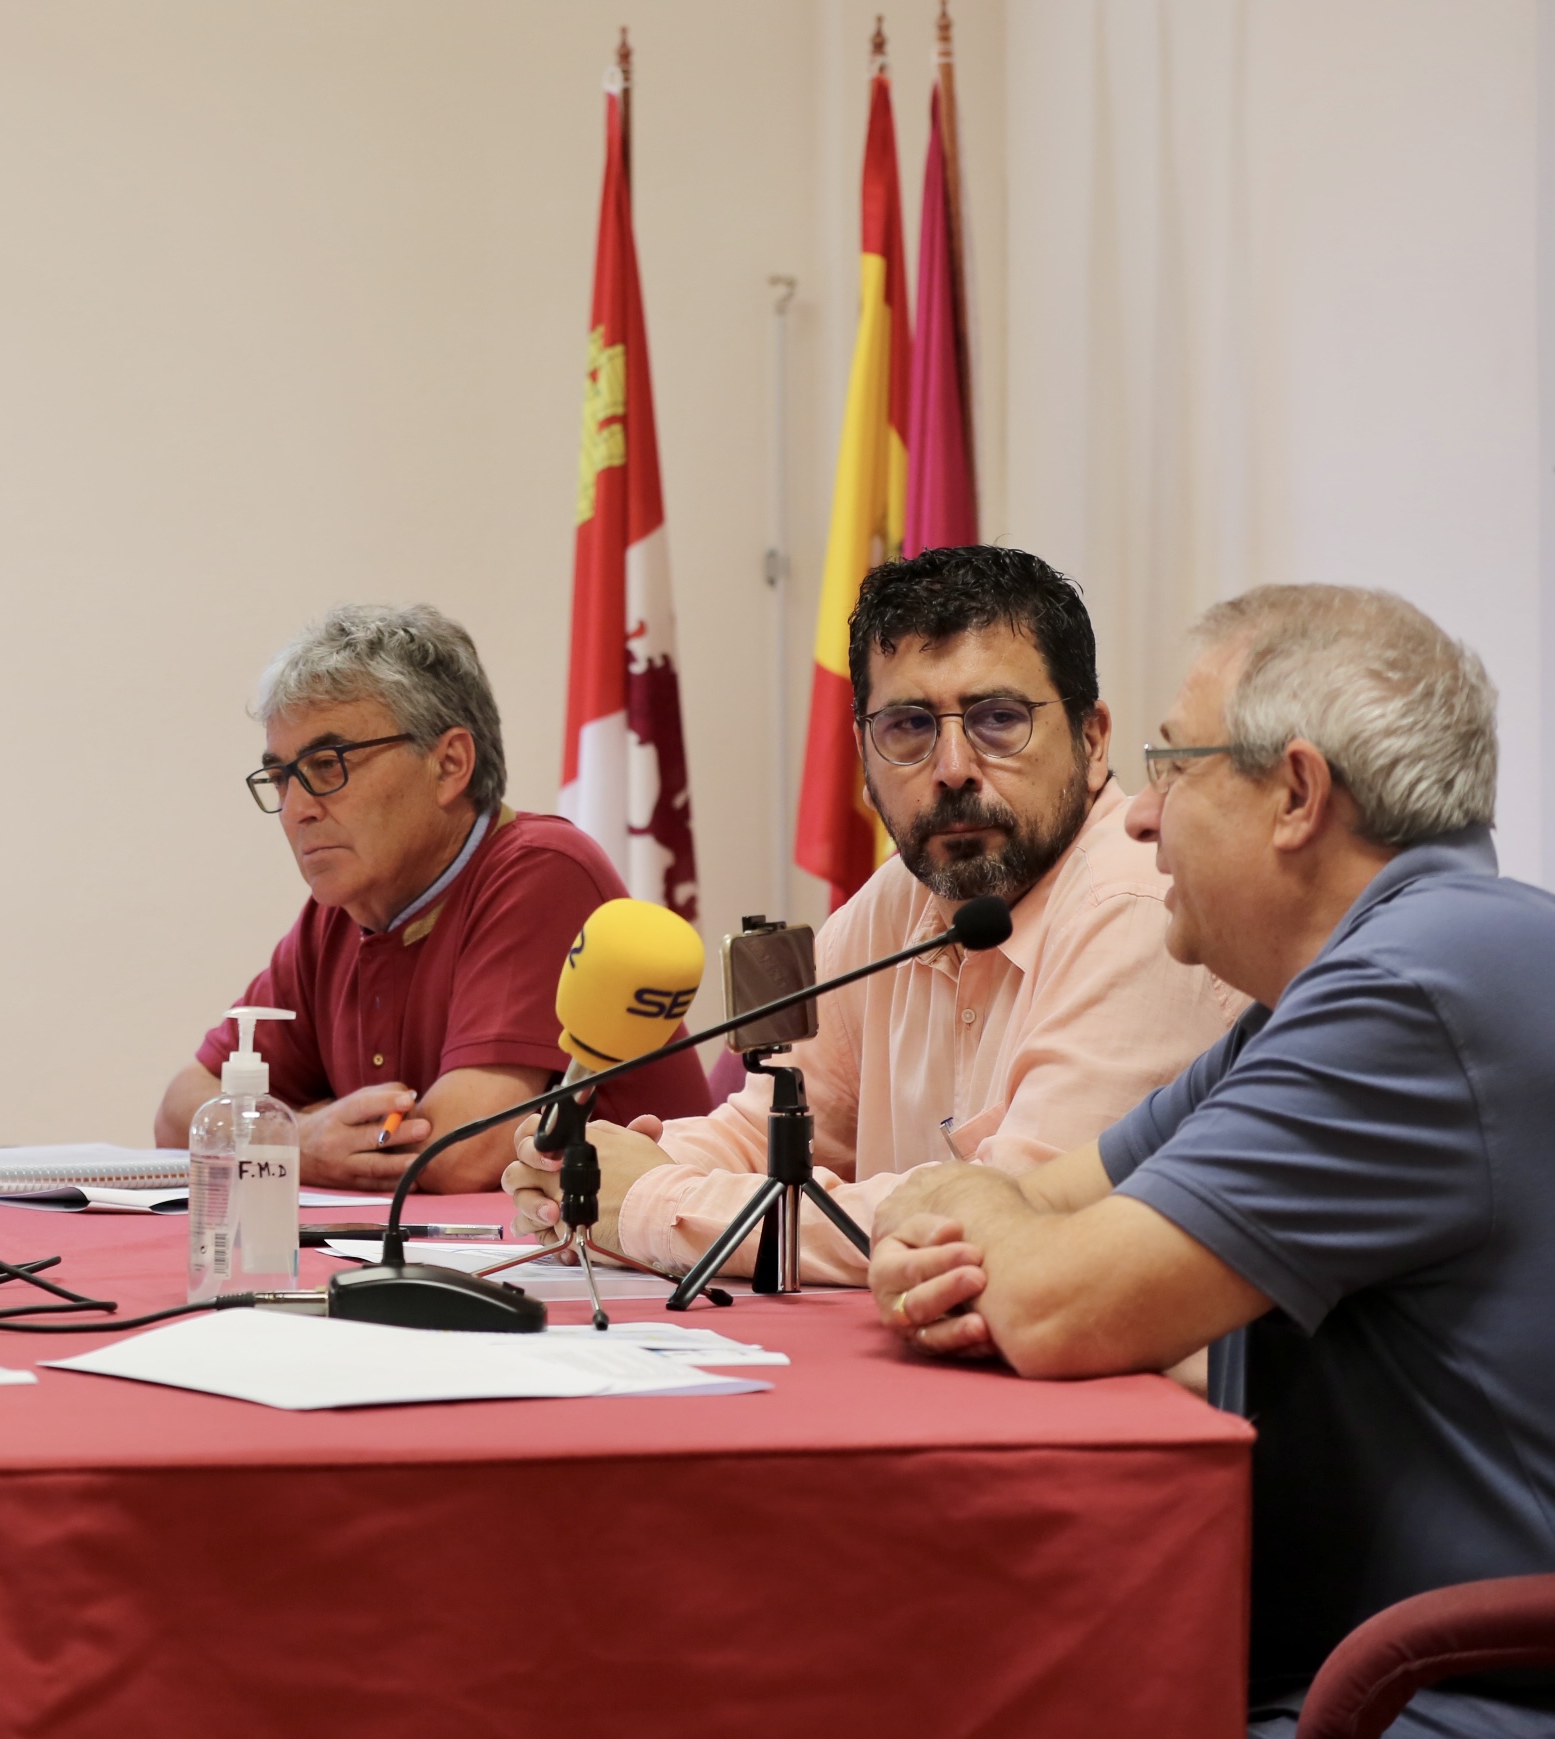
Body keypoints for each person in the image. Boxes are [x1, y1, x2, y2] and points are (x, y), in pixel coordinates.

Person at [865, 586, 1555, 1739]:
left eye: (1171, 770)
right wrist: (960, 1215)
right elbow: (1033, 1201)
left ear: (1296, 794)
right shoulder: (1330, 994)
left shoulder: (1413, 990)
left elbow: (1056, 1302)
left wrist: (966, 1227)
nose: (1138, 820)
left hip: (1455, 1697)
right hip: (1349, 1667)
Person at [506, 546, 1238, 1282]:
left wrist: (649, 1202)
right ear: (862, 752)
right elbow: (767, 1133)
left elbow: (1008, 1227)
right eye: (908, 728)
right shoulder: (900, 900)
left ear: (1091, 737)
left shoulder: (1144, 905)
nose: (951, 767)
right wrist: (593, 1177)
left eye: (998, 720)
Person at [151, 603, 710, 1191]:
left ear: (449, 765)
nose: (296, 809)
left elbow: (456, 1154)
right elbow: (179, 1111)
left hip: (636, 1268)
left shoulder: (542, 871)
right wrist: (300, 1139)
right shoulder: (339, 916)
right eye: (282, 777)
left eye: (327, 764)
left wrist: (281, 1134)